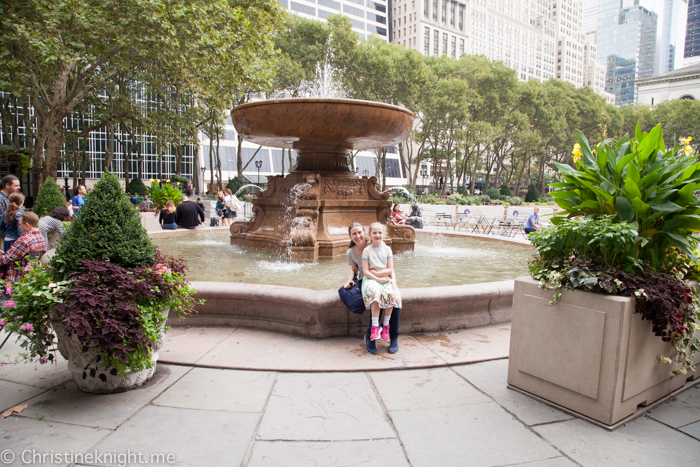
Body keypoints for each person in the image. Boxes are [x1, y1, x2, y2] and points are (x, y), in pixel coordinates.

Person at [339, 222, 402, 355]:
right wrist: (350, 280)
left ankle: (394, 337)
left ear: (365, 233)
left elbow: (390, 266)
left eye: (359, 232)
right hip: (366, 279)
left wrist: (393, 279)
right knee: (376, 297)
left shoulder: (375, 243)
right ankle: (371, 337)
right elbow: (353, 270)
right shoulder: (351, 252)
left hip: (383, 277)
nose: (358, 236)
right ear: (350, 236)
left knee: (394, 300)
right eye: (354, 234)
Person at [362, 222, 402, 345]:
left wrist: (378, 273)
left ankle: (386, 326)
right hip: (371, 279)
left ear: (383, 234)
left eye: (380, 232)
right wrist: (378, 278)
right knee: (375, 293)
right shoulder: (367, 250)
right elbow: (365, 271)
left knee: (392, 293)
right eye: (374, 233)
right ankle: (375, 327)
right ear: (370, 234)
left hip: (383, 277)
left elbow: (390, 269)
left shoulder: (387, 249)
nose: (377, 235)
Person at [0, 212, 47, 284]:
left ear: (27, 225)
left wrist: (2, 256)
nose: (19, 227)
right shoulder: (41, 237)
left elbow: (7, 259)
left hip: (18, 279)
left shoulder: (24, 240)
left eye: (20, 224)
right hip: (31, 277)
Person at [0, 175, 21, 250]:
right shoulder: (1, 199)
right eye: (16, 185)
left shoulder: (11, 198)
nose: (19, 187)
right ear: (7, 185)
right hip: (5, 236)